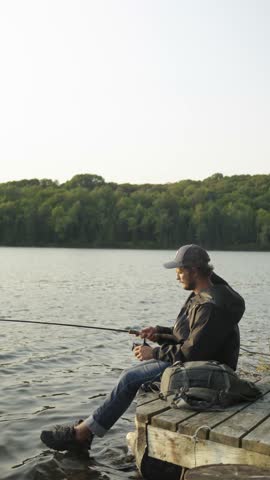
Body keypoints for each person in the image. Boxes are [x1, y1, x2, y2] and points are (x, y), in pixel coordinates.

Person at [40, 244, 245, 452]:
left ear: (193, 270)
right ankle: (87, 431)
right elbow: (187, 337)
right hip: (198, 364)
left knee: (130, 379)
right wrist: (157, 333)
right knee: (131, 375)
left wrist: (153, 352)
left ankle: (81, 435)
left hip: (211, 375)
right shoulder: (202, 294)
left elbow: (192, 352)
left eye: (179, 271)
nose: (177, 277)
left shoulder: (210, 306)